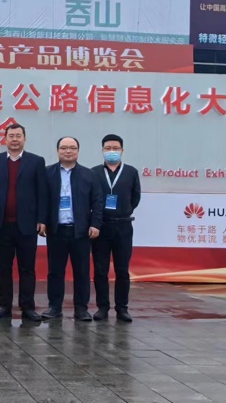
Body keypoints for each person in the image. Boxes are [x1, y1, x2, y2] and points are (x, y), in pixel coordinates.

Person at [0, 123, 48, 322]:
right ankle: (4, 306)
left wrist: (42, 219)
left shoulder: (36, 161)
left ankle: (27, 307)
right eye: (11, 136)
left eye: (18, 136)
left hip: (27, 225)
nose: (14, 139)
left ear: (24, 138)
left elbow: (42, 192)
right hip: (2, 224)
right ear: (5, 139)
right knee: (3, 268)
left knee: (27, 268)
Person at [43, 137, 103, 321]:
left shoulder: (89, 174)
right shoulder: (47, 173)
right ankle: (54, 307)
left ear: (78, 151)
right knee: (55, 272)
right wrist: (41, 221)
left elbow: (97, 201)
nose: (68, 151)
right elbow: (41, 199)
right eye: (64, 148)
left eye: (72, 148)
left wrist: (95, 224)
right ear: (57, 151)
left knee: (82, 272)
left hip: (81, 231)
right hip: (56, 230)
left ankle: (81, 309)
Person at [92, 134, 141, 323]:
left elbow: (135, 197)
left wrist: (124, 210)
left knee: (122, 270)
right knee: (100, 270)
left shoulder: (131, 172)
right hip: (101, 226)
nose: (111, 151)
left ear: (122, 150)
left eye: (115, 148)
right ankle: (102, 307)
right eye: (108, 148)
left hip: (123, 226)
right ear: (102, 150)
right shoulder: (94, 172)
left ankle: (122, 308)